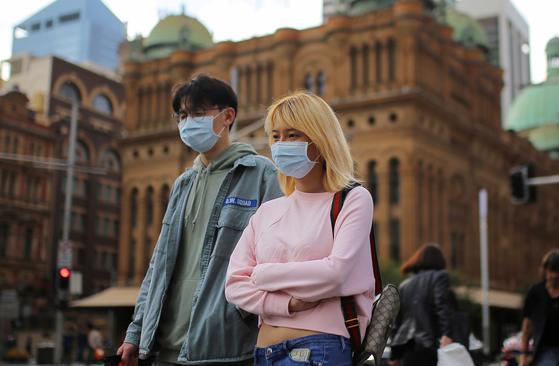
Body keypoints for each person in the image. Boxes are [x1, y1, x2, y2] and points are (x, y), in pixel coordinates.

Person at [117, 74, 283, 366]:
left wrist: (246, 314)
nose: (187, 122)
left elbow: (277, 257)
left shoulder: (261, 173)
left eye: (197, 113)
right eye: (182, 115)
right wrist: (136, 332)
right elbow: (159, 264)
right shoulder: (184, 183)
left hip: (224, 347)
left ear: (227, 116)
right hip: (166, 347)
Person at [224, 91, 375, 366]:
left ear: (320, 140)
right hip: (262, 353)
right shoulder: (268, 211)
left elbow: (335, 273)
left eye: (293, 135)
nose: (281, 145)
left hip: (319, 350)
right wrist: (288, 304)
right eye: (276, 136)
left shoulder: (352, 199)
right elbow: (234, 285)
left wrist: (263, 274)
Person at [389, 244, 454, 366]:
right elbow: (443, 307)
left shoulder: (404, 285)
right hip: (430, 344)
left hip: (406, 347)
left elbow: (397, 322)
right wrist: (447, 334)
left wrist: (395, 354)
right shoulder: (440, 277)